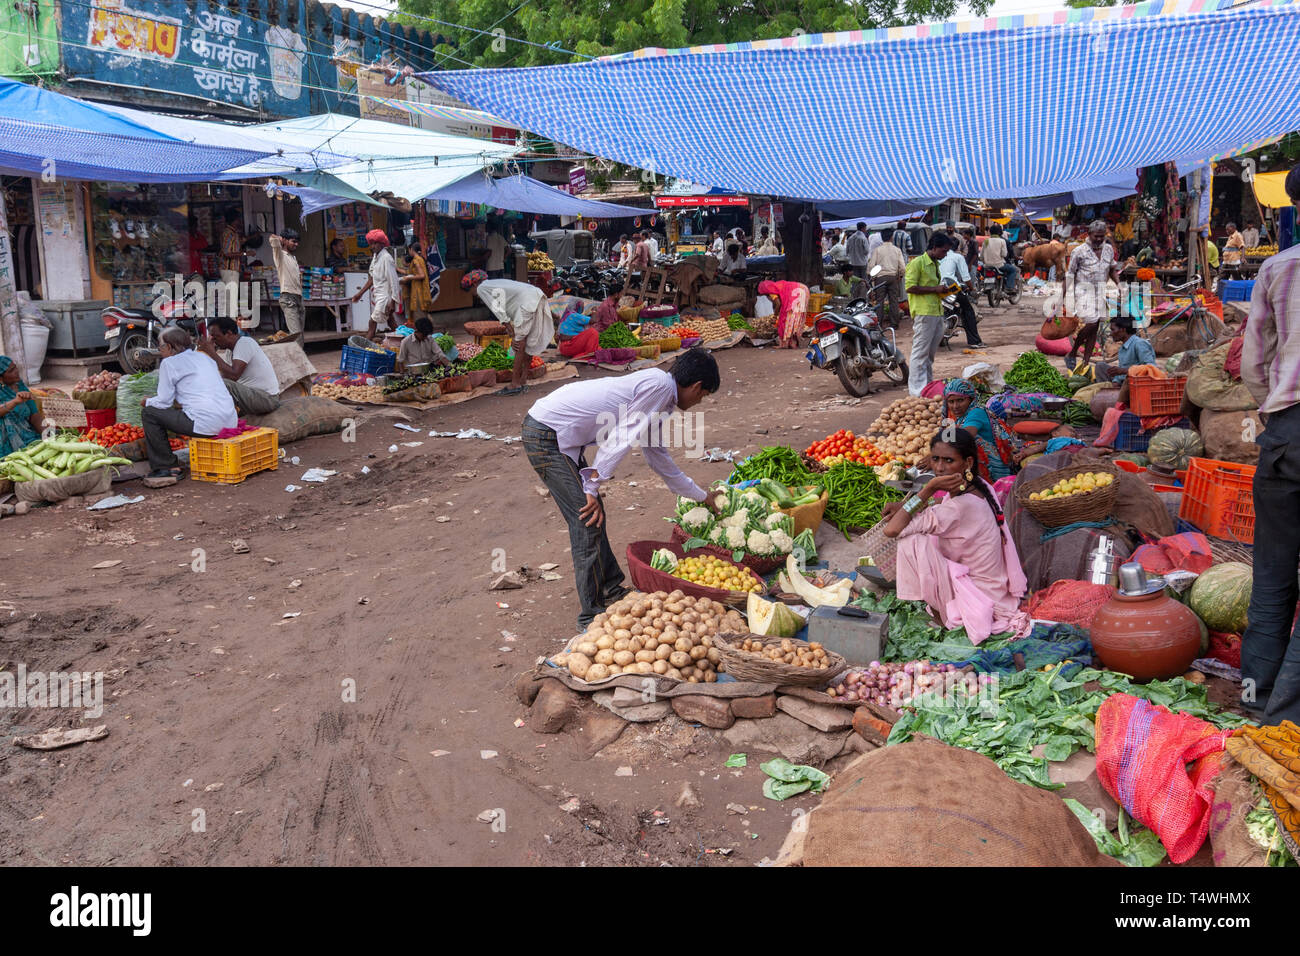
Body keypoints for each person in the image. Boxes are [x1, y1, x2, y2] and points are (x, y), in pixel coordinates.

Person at [522, 348, 719, 631]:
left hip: (559, 433)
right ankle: (590, 615)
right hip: (546, 432)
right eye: (703, 396)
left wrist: (702, 496)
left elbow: (657, 457)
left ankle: (611, 590)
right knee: (587, 518)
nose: (700, 401)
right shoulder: (659, 387)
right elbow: (621, 438)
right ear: (698, 387)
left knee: (593, 511)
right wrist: (591, 485)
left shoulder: (661, 395)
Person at [1240, 163, 1300, 727]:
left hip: (1286, 433)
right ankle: (1291, 719)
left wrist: (1274, 409)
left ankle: (1256, 700)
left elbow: (1254, 362)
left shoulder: (1280, 269)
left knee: (1273, 574)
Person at [881, 429, 1031, 643]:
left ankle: (941, 614)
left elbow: (892, 530)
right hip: (994, 587)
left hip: (981, 596)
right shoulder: (979, 485)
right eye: (935, 459)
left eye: (948, 460)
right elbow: (945, 503)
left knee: (912, 538)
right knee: (920, 526)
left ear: (967, 462)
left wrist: (928, 489)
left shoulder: (960, 507)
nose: (940, 468)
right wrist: (905, 505)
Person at [140, 327, 238, 488]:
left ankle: (167, 467)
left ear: (170, 347)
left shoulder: (169, 363)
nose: (160, 351)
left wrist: (147, 401)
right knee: (175, 411)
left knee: (150, 413)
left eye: (161, 347)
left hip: (206, 424)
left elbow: (164, 402)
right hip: (230, 420)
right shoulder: (204, 357)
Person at [462, 270, 555, 396]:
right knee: (527, 342)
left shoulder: (481, 288)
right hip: (536, 295)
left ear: (473, 285)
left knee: (519, 344)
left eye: (471, 292)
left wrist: (510, 330)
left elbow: (496, 308)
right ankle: (523, 380)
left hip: (526, 303)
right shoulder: (492, 284)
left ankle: (515, 384)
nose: (474, 295)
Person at [1065, 220, 1121, 372]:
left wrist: (1119, 284)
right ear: (1089, 234)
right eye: (1096, 236)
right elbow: (1070, 275)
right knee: (1091, 322)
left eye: (1101, 236)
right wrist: (1062, 297)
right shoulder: (1079, 251)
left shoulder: (1108, 249)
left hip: (1100, 291)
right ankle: (1073, 351)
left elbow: (1112, 269)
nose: (1098, 239)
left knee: (1095, 328)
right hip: (1083, 291)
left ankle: (1085, 362)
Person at [199, 316, 281, 415]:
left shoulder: (245, 343)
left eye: (216, 337)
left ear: (229, 334)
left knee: (223, 384)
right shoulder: (231, 351)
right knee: (214, 383)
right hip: (253, 396)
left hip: (267, 399)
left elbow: (234, 375)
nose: (214, 341)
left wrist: (212, 353)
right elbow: (225, 377)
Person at [940, 379, 1021, 479]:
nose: (955, 406)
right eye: (951, 402)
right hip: (980, 466)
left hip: (997, 470)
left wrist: (937, 454)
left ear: (971, 399)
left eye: (960, 400)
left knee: (967, 441)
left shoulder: (977, 412)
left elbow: (967, 435)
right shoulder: (958, 418)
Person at [905, 233, 953, 396]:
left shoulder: (934, 264)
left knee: (929, 354)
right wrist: (935, 289)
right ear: (934, 248)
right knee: (920, 353)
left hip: (936, 310)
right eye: (943, 251)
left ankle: (927, 387)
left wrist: (942, 290)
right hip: (924, 312)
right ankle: (917, 391)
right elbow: (910, 287)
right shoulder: (917, 263)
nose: (945, 255)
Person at [351, 229, 401, 340]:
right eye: (371, 243)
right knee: (391, 323)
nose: (373, 246)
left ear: (382, 243)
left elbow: (394, 281)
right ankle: (405, 342)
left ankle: (363, 347)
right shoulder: (376, 257)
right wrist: (360, 294)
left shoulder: (386, 258)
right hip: (379, 296)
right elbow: (372, 278)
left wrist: (393, 301)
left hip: (385, 297)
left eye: (375, 243)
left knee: (372, 322)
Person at [939, 239, 984, 348]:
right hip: (951, 287)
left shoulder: (936, 256)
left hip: (936, 288)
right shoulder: (957, 257)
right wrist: (971, 288)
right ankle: (974, 341)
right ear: (957, 248)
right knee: (968, 310)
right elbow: (966, 277)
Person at [0, 354, 41, 454]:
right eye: (11, 371)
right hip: (4, 441)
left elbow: (34, 414)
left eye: (15, 367)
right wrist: (14, 402)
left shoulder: (19, 385)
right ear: (1, 378)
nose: (16, 372)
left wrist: (48, 435)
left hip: (26, 434)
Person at [1098, 316, 1156, 384]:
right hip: (1124, 382)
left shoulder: (1139, 344)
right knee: (1100, 366)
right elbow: (1120, 373)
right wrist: (1115, 382)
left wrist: (1124, 371)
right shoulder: (1122, 349)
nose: (1111, 333)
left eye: (1113, 330)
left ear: (1123, 330)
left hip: (1136, 383)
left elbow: (1151, 368)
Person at [867, 230, 907, 329]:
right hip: (893, 277)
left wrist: (873, 277)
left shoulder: (877, 250)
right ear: (891, 237)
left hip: (880, 278)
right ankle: (894, 324)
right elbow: (902, 267)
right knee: (893, 301)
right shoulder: (897, 250)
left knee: (879, 301)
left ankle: (879, 324)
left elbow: (871, 266)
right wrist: (900, 276)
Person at [757, 279, 810, 349]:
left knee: (788, 319)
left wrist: (775, 316)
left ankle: (785, 344)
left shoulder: (771, 291)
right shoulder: (777, 286)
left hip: (796, 292)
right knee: (796, 319)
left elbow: (778, 304)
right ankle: (792, 343)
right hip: (803, 289)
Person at [399, 241, 433, 322]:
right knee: (422, 313)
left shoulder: (416, 260)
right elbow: (410, 273)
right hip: (420, 289)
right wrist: (397, 269)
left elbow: (421, 275)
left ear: (411, 249)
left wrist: (409, 278)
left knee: (419, 314)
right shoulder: (420, 259)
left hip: (418, 290)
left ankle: (423, 332)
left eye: (409, 250)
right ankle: (426, 330)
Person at [981, 223, 1018, 294]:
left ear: (990, 232)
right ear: (999, 232)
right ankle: (1009, 288)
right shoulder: (1002, 241)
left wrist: (985, 262)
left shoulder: (986, 241)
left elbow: (981, 256)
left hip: (987, 265)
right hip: (999, 265)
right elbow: (1004, 254)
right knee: (1013, 270)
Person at [218, 208, 244, 286]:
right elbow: (227, 253)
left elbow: (238, 242)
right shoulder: (228, 233)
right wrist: (245, 253)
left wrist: (252, 237)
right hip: (229, 271)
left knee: (232, 295)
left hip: (232, 270)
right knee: (231, 296)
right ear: (235, 220)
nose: (240, 221)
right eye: (239, 219)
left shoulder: (233, 233)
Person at [846, 221, 870, 285]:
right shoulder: (863, 238)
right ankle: (864, 294)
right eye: (865, 228)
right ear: (863, 228)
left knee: (855, 280)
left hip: (853, 263)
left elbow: (847, 251)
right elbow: (867, 251)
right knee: (864, 280)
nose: (865, 230)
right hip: (862, 263)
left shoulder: (850, 238)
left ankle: (855, 294)